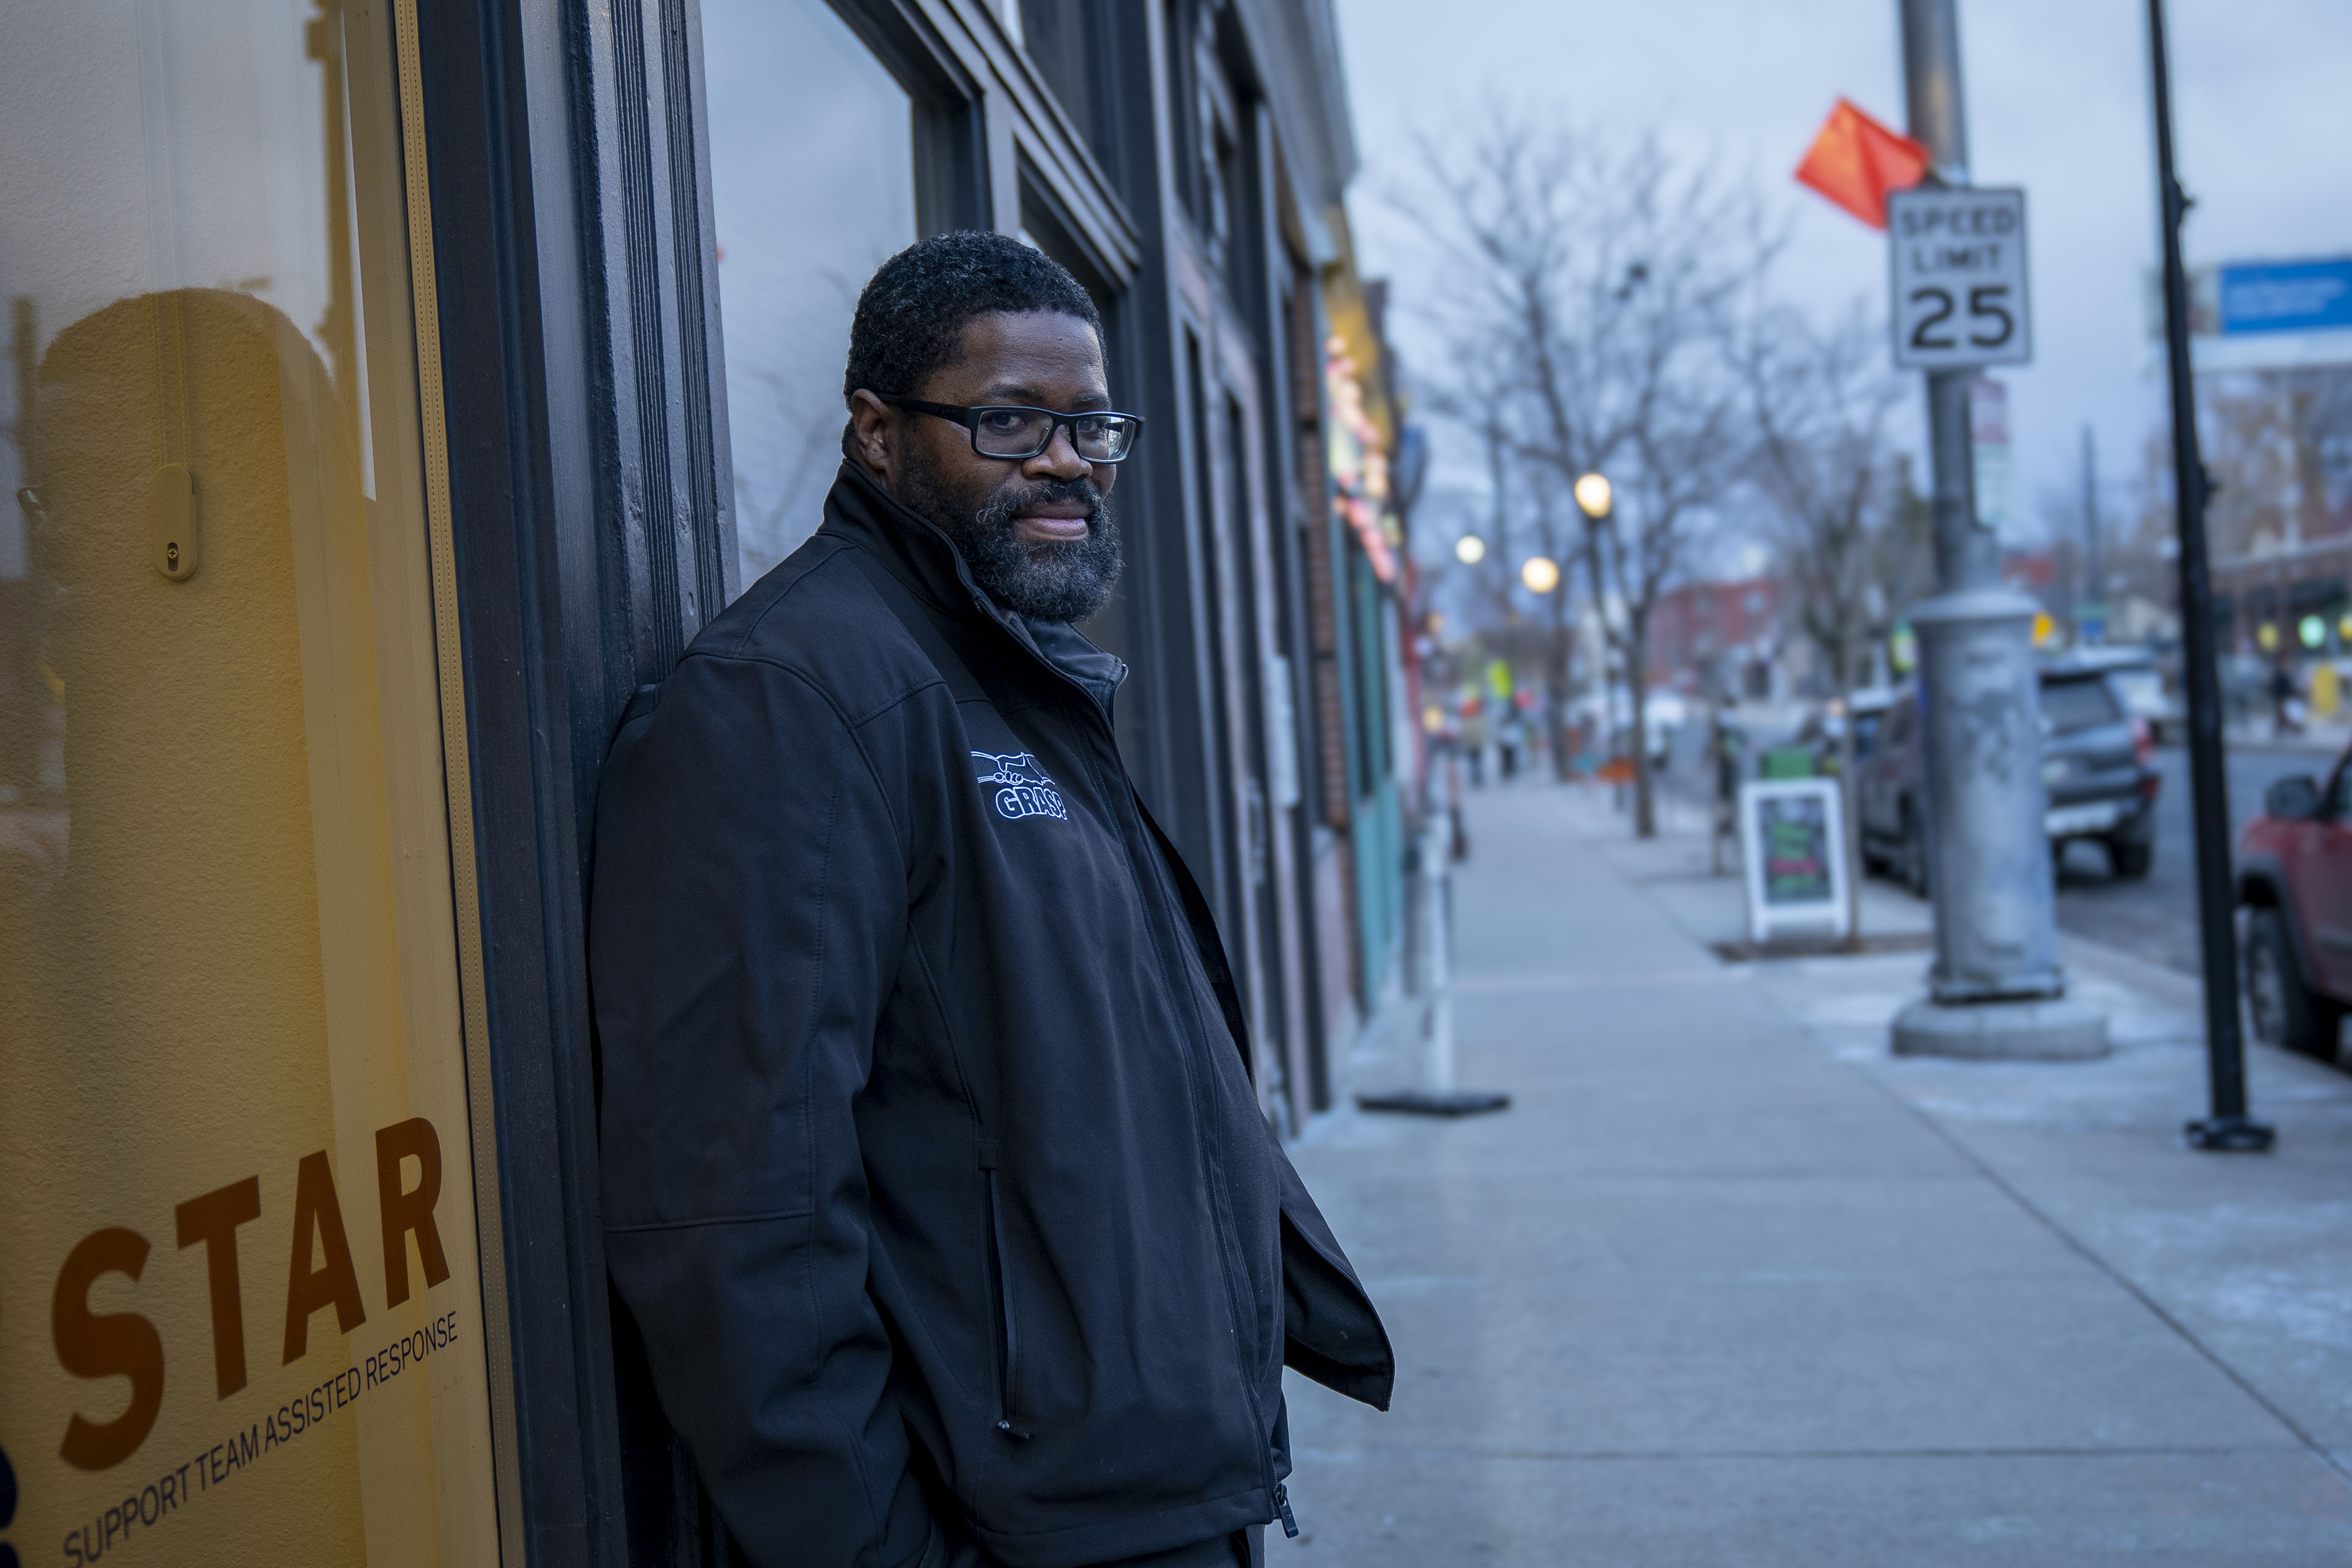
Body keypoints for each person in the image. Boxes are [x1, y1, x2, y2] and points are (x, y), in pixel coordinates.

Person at [590, 232, 1392, 1568]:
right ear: (876, 433)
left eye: (1090, 423)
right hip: (1007, 1528)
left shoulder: (1012, 675)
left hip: (1138, 1495)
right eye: (1010, 419)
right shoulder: (792, 698)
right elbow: (736, 1217)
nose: (1067, 457)